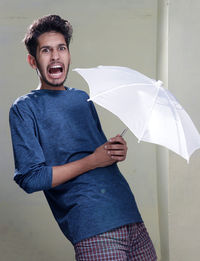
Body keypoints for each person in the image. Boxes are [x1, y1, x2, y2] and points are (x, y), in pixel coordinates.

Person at [9, 15, 157, 261]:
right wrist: (94, 160)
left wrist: (114, 152)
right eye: (46, 50)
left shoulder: (81, 98)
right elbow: (31, 178)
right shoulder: (24, 109)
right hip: (92, 226)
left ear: (68, 54)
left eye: (61, 48)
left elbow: (97, 154)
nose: (55, 56)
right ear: (32, 60)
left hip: (129, 213)